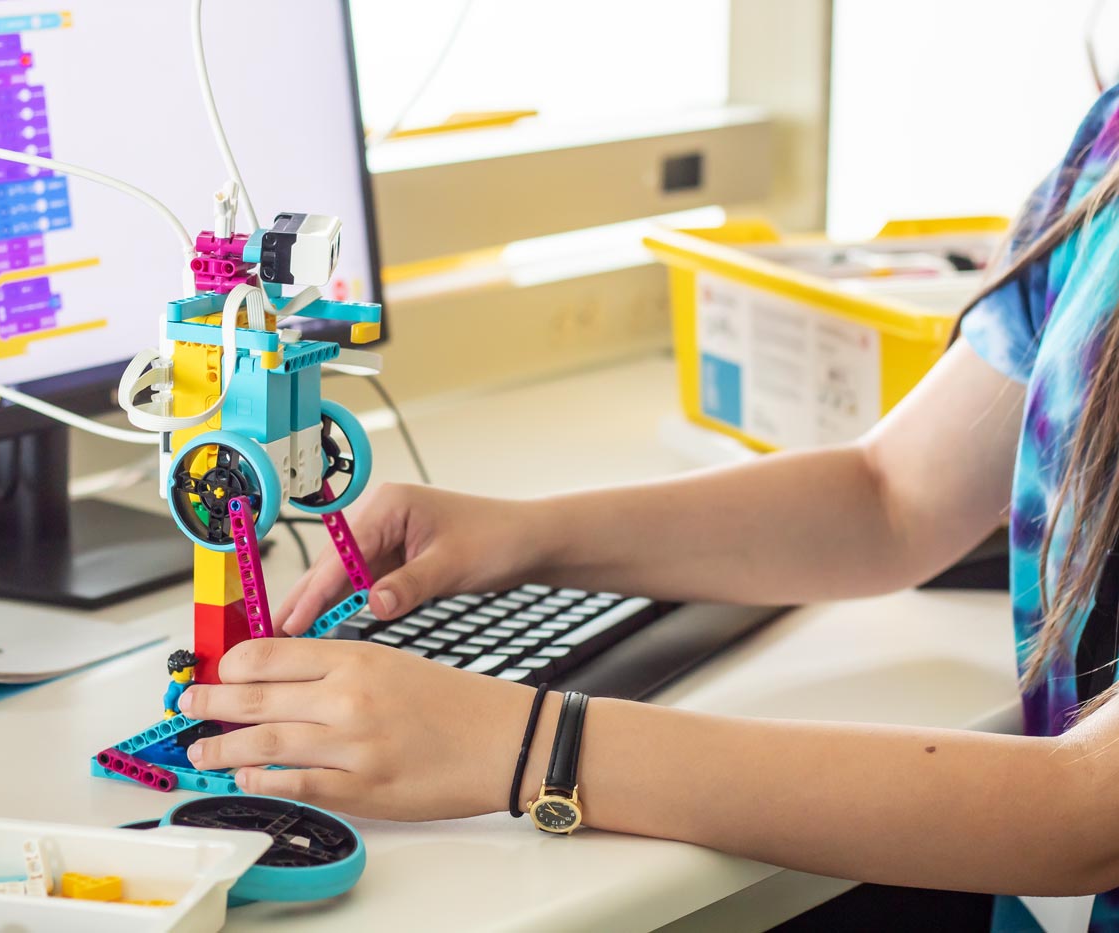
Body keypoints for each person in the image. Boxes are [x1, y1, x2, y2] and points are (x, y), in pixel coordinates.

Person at [176, 87, 1119, 926]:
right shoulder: (1104, 150)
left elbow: (1086, 816)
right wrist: (520, 533)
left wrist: (525, 743)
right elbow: (892, 497)